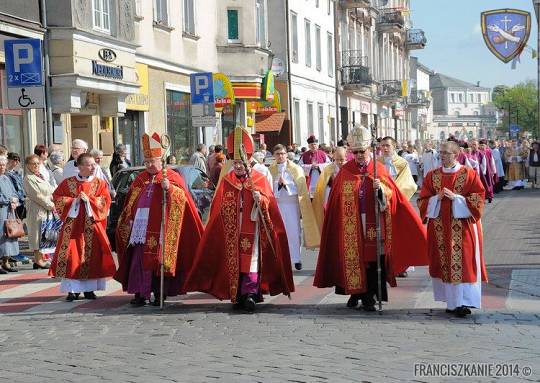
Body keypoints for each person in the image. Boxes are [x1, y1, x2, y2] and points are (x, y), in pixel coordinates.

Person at [313, 126, 428, 311]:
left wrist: (380, 189)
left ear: (369, 150)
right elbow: (337, 196)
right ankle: (354, 292)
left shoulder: (378, 169)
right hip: (351, 222)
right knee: (352, 257)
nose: (359, 155)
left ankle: (370, 295)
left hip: (374, 220)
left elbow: (393, 195)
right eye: (356, 152)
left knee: (373, 259)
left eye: (362, 151)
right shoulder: (346, 171)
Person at [184, 127, 294, 313]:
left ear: (249, 161)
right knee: (235, 261)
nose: (238, 167)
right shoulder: (227, 181)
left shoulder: (258, 179)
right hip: (232, 229)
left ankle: (250, 294)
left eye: (241, 163)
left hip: (253, 225)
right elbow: (218, 207)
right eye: (235, 163)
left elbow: (269, 204)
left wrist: (261, 199)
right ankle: (236, 294)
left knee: (251, 259)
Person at [114, 133, 204, 306]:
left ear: (160, 161)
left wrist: (169, 189)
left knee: (158, 260)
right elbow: (130, 201)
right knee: (138, 260)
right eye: (146, 162)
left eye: (152, 162)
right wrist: (129, 218)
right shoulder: (139, 178)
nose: (148, 165)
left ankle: (158, 292)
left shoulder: (171, 177)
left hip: (161, 225)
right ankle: (140, 292)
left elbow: (182, 198)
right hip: (140, 226)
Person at [417, 141, 487, 318]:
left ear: (456, 154)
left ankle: (463, 302)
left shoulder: (468, 174)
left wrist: (456, 198)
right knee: (444, 263)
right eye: (441, 153)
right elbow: (422, 200)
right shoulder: (432, 176)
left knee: (463, 263)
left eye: (446, 153)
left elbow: (478, 198)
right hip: (440, 228)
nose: (442, 156)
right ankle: (451, 302)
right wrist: (436, 198)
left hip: (462, 228)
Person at [49, 153, 116, 301]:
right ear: (80, 166)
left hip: (92, 227)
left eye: (94, 164)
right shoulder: (68, 183)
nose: (93, 167)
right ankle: (72, 290)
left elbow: (105, 201)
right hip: (73, 227)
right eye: (89, 164)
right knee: (72, 256)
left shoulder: (100, 183)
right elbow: (57, 198)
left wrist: (90, 200)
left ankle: (89, 290)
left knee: (91, 258)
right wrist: (75, 201)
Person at [269, 144, 320, 271]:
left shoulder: (296, 168)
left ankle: (296, 258)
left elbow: (301, 187)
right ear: (274, 156)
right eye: (277, 154)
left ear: (286, 154)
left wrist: (286, 184)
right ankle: (280, 258)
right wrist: (277, 185)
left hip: (292, 204)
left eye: (282, 153)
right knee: (278, 232)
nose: (280, 156)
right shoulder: (270, 170)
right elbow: (268, 187)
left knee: (293, 232)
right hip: (278, 204)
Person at [23, 155, 56, 269]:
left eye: (38, 163)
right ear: (28, 165)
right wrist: (51, 205)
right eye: (33, 163)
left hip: (45, 209)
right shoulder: (29, 178)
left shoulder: (40, 176)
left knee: (43, 234)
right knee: (36, 235)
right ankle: (38, 260)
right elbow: (36, 195)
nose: (36, 166)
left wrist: (55, 198)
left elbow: (50, 190)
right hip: (37, 209)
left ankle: (41, 258)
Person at [312, 147, 348, 232]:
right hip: (331, 198)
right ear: (333, 157)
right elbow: (322, 185)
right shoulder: (328, 169)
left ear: (346, 157)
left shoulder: (349, 168)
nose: (339, 162)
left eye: (342, 159)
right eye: (337, 159)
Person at [0, 156, 20, 274]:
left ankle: (6, 261)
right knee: (1, 237)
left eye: (3, 165)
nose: (2, 167)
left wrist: (15, 200)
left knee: (9, 236)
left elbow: (14, 192)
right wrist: (9, 200)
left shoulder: (6, 178)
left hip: (9, 211)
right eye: (0, 165)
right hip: (1, 211)